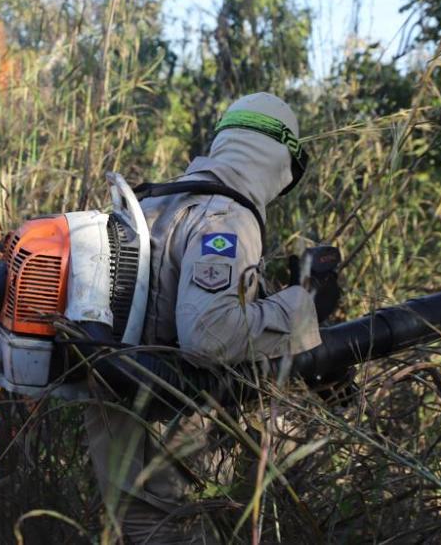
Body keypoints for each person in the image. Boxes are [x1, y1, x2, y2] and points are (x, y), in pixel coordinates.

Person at [85, 92, 336, 544]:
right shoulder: (225, 217)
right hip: (167, 435)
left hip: (119, 422)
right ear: (281, 158)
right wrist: (306, 306)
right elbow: (209, 336)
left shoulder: (155, 202)